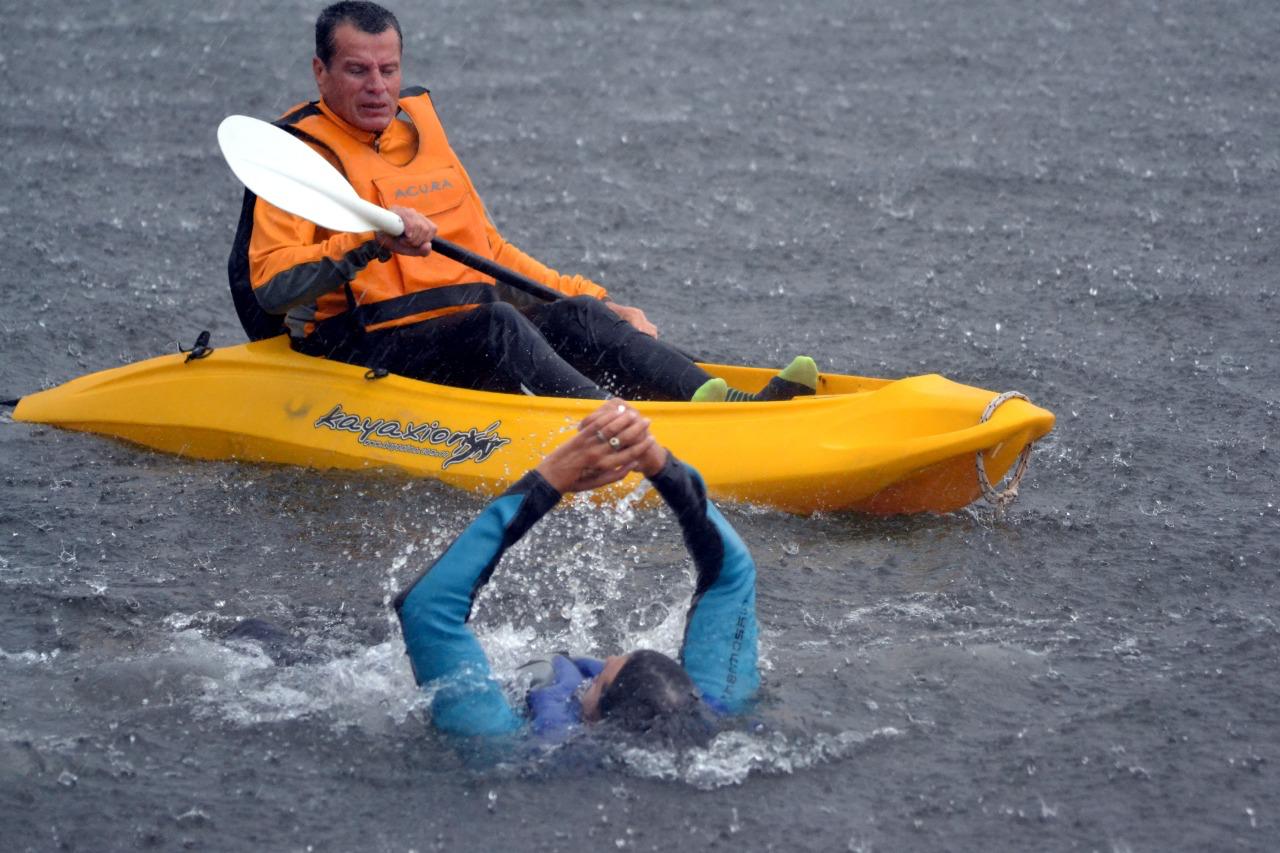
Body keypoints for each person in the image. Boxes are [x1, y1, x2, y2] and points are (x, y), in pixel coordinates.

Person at [228, 1, 817, 403]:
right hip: (358, 347)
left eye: (388, 69)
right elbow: (272, 286)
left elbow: (490, 251)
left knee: (575, 313)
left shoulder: (416, 131)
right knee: (498, 324)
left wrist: (603, 305)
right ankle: (621, 431)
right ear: (320, 71)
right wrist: (367, 240)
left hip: (452, 325)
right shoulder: (296, 159)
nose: (377, 86)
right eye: (357, 71)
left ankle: (726, 402)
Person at [394, 400, 759, 742]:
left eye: (597, 681)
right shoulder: (712, 713)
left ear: (594, 720)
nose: (595, 668)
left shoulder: (502, 744)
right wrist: (657, 463)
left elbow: (427, 608)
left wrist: (552, 477)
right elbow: (733, 572)